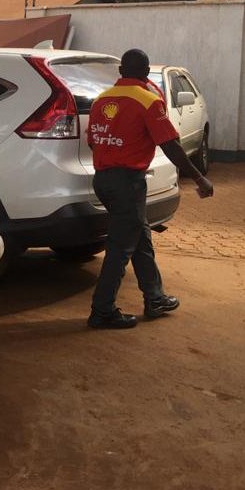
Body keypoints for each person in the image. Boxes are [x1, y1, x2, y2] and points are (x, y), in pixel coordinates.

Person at [86, 48, 214, 329]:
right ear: (145, 73)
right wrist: (199, 178)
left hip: (103, 180)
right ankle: (102, 311)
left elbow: (93, 142)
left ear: (121, 72)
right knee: (121, 248)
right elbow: (170, 145)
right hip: (127, 184)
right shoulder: (148, 101)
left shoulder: (101, 100)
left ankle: (155, 298)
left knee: (139, 236)